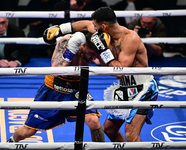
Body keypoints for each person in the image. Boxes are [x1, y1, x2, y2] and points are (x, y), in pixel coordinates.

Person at [43, 6, 159, 142]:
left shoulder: (130, 38)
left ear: (103, 26)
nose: (93, 28)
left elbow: (120, 73)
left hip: (142, 87)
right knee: (109, 130)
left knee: (131, 134)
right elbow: (85, 25)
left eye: (95, 25)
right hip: (124, 88)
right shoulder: (101, 30)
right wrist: (60, 29)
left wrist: (103, 48)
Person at [7, 32, 105, 143]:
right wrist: (70, 51)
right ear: (83, 45)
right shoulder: (67, 42)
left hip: (77, 89)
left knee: (94, 121)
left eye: (96, 55)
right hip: (54, 89)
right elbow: (55, 70)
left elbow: (107, 66)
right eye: (92, 53)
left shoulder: (95, 48)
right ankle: (12, 141)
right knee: (28, 131)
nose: (94, 58)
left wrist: (103, 52)